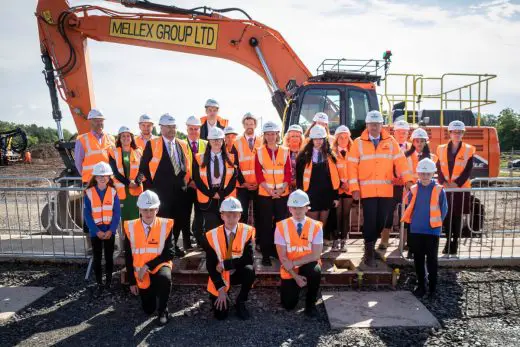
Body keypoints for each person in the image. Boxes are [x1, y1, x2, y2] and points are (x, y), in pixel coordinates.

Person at [348, 111, 414, 269]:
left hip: (386, 191)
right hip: (367, 191)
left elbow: (401, 162)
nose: (374, 127)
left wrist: (408, 180)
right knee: (370, 220)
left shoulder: (390, 141)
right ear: (367, 125)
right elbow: (351, 167)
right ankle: (369, 252)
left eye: (377, 124)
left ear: (382, 125)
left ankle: (371, 246)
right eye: (371, 124)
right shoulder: (358, 143)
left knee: (382, 221)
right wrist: (354, 188)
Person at [139, 113, 191, 257]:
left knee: (179, 219)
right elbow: (143, 168)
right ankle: (165, 248)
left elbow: (186, 165)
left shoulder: (183, 144)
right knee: (163, 220)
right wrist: (151, 188)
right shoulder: (153, 144)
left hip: (180, 190)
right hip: (161, 191)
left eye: (173, 127)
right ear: (161, 128)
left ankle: (173, 246)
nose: (171, 130)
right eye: (168, 127)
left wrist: (185, 183)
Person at [124, 190, 174, 325]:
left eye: (152, 209)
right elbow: (128, 256)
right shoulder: (130, 227)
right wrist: (132, 282)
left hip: (158, 266)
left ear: (157, 209)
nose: (148, 213)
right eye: (145, 210)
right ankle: (151, 293)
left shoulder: (166, 225)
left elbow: (170, 253)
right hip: (140, 273)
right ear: (139, 209)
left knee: (165, 278)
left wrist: (147, 266)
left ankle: (163, 309)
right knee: (148, 310)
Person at [401, 158, 448, 298]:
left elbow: (443, 209)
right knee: (418, 259)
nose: (425, 176)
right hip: (416, 230)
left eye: (428, 174)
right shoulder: (414, 189)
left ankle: (433, 288)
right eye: (422, 173)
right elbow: (409, 206)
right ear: (418, 174)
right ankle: (422, 286)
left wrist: (436, 224)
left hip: (432, 231)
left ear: (433, 173)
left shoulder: (439, 190)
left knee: (432, 259)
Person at [204, 197, 255, 320]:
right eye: (228, 215)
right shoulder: (211, 235)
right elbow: (210, 265)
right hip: (219, 274)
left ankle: (240, 301)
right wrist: (221, 290)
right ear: (222, 216)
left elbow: (248, 259)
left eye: (235, 215)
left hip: (236, 271)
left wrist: (226, 264)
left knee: (250, 270)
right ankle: (221, 293)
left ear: (240, 215)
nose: (231, 219)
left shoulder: (248, 231)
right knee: (220, 316)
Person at [275, 189, 323, 317]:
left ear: (307, 208)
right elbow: (282, 257)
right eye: (294, 207)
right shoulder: (281, 227)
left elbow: (316, 255)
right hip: (290, 269)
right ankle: (297, 285)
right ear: (289, 208)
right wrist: (295, 277)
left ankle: (311, 304)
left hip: (306, 263)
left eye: (301, 207)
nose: (297, 211)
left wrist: (295, 262)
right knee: (288, 305)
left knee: (315, 271)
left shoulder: (316, 226)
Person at [255, 121, 291, 266]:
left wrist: (280, 190)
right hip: (265, 194)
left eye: (273, 134)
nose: (270, 137)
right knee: (264, 225)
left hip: (282, 195)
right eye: (268, 134)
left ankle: (277, 252)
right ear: (264, 135)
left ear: (277, 135)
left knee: (280, 224)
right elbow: (259, 175)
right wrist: (270, 191)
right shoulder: (259, 152)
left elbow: (288, 173)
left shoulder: (285, 151)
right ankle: (265, 254)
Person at [436, 120, 475, 255]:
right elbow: (439, 167)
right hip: (446, 188)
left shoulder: (469, 149)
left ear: (463, 133)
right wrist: (443, 182)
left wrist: (456, 184)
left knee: (457, 217)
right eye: (454, 132)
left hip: (460, 189)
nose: (457, 134)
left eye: (460, 132)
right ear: (450, 133)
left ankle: (455, 243)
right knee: (447, 216)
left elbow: (468, 170)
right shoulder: (441, 149)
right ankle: (448, 241)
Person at [84, 162, 120, 297]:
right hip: (96, 232)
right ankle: (99, 283)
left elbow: (117, 214)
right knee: (97, 258)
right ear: (95, 177)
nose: (102, 178)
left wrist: (111, 230)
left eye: (105, 176)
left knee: (109, 258)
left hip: (109, 231)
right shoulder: (88, 193)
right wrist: (96, 231)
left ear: (109, 177)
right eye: (99, 176)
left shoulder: (113, 192)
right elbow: (87, 214)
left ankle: (109, 282)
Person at [192, 127, 238, 233]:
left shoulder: (231, 158)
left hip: (225, 196)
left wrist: (221, 194)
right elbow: (197, 179)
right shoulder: (199, 158)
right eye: (214, 139)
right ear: (209, 141)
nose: (216, 142)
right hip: (208, 196)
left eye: (219, 139)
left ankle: (224, 249)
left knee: (226, 227)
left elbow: (233, 178)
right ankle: (211, 249)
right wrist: (211, 193)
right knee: (211, 228)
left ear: (223, 141)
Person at [296, 125, 340, 228]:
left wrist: (335, 197)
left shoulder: (331, 157)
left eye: (321, 139)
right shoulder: (303, 157)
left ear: (324, 139)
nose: (318, 141)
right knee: (312, 225)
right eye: (315, 139)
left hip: (326, 196)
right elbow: (299, 180)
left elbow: (334, 179)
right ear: (311, 140)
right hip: (310, 196)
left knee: (322, 226)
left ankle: (319, 244)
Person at [379, 119, 411, 250]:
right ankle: (384, 240)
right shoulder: (386, 146)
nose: (402, 135)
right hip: (391, 185)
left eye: (404, 132)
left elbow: (412, 168)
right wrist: (393, 178)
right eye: (399, 132)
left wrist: (406, 180)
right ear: (394, 133)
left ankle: (405, 241)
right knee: (388, 212)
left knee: (406, 213)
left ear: (408, 134)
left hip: (405, 186)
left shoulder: (411, 148)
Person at [109, 126, 143, 227]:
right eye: (123, 136)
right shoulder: (113, 152)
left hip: (136, 191)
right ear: (119, 138)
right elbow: (115, 172)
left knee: (136, 220)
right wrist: (129, 184)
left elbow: (142, 169)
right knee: (123, 221)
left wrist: (136, 182)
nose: (126, 138)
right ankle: (125, 242)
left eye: (128, 136)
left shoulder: (138, 151)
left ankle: (135, 242)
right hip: (122, 192)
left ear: (132, 138)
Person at [233, 112, 263, 226]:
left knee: (259, 214)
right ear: (243, 125)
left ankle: (259, 241)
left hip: (259, 185)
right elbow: (234, 165)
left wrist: (260, 182)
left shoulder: (262, 141)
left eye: (251, 123)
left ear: (255, 125)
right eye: (247, 123)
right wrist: (243, 182)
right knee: (243, 215)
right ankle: (245, 243)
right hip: (242, 186)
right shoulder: (236, 142)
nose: (249, 126)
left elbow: (265, 164)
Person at [184, 116, 208, 247]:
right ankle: (187, 241)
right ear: (187, 129)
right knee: (185, 214)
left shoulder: (205, 144)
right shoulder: (181, 144)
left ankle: (199, 239)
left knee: (200, 214)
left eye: (196, 129)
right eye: (191, 129)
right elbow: (179, 165)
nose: (193, 131)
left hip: (201, 186)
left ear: (199, 129)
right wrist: (189, 181)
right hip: (187, 186)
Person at [74, 109, 115, 184]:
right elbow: (78, 162)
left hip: (107, 180)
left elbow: (114, 160)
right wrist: (86, 177)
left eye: (101, 120)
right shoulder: (82, 139)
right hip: (90, 181)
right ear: (90, 121)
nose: (99, 123)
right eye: (96, 120)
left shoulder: (110, 138)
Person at [332, 125, 354, 251]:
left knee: (346, 215)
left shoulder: (353, 152)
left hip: (349, 188)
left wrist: (349, 184)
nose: (343, 140)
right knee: (337, 215)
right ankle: (336, 240)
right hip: (337, 188)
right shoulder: (332, 152)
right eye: (341, 137)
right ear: (337, 138)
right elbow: (332, 171)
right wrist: (341, 184)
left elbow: (355, 169)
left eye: (346, 137)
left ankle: (344, 240)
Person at [283, 124, 305, 191]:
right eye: (292, 136)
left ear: (301, 139)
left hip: (301, 187)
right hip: (285, 187)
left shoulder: (305, 153)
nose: (295, 138)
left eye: (297, 136)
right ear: (288, 139)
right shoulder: (283, 152)